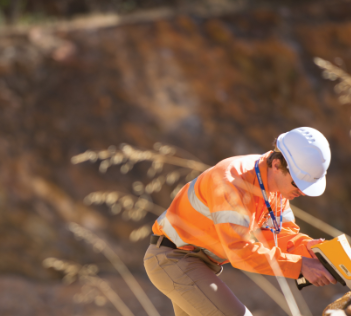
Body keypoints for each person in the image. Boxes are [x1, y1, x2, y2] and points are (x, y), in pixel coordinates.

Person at [144, 127, 337, 316]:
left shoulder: (278, 188)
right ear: (277, 165)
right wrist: (300, 265)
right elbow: (239, 251)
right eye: (298, 183)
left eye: (308, 186)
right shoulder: (231, 183)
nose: (302, 192)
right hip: (174, 259)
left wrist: (308, 249)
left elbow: (279, 236)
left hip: (196, 264)